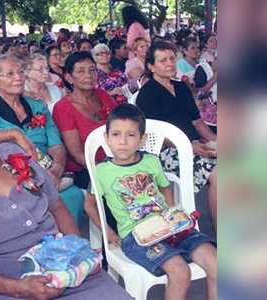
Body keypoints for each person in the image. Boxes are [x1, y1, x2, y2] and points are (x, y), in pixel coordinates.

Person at [0, 88, 134, 300]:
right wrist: (19, 287)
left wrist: (77, 254)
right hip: (5, 285)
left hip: (64, 267)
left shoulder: (13, 153)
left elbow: (57, 206)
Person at [84, 104, 217, 300]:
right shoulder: (102, 171)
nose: (122, 142)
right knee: (180, 271)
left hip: (170, 226)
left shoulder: (151, 161)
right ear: (106, 138)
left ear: (142, 139)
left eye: (131, 135)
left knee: (215, 263)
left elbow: (164, 187)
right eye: (116, 134)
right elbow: (89, 205)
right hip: (137, 235)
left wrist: (172, 212)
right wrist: (109, 233)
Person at [0, 55, 85, 223]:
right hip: (8, 178)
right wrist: (12, 133)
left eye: (20, 72)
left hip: (45, 171)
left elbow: (55, 144)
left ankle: (67, 247)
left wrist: (57, 168)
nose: (18, 78)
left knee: (74, 196)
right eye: (10, 74)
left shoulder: (36, 105)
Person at [135, 41, 217, 229]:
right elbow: (155, 135)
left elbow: (197, 122)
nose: (170, 64)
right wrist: (188, 147)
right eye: (163, 61)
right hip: (165, 152)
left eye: (172, 58)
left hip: (193, 145)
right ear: (151, 66)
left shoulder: (181, 87)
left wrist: (215, 141)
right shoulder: (147, 94)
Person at [52, 51, 119, 190]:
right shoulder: (63, 107)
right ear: (69, 78)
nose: (88, 75)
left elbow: (121, 127)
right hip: (86, 170)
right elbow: (76, 155)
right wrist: (106, 171)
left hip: (116, 160)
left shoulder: (103, 96)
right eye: (81, 71)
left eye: (92, 70)